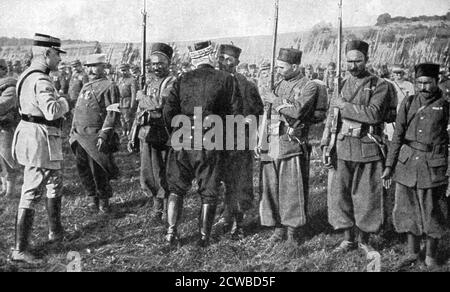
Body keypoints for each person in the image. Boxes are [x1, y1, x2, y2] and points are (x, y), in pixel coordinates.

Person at [163, 41, 242, 247]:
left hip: (181, 139)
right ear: (211, 57)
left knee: (176, 189)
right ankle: (204, 238)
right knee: (209, 190)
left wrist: (174, 133)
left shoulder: (182, 79)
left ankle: (171, 233)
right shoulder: (227, 79)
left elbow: (168, 111)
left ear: (195, 59)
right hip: (210, 140)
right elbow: (236, 115)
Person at [321, 40, 390, 254]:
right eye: (349, 61)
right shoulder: (340, 84)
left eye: (357, 61)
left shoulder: (379, 85)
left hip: (367, 146)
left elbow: (373, 114)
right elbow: (332, 117)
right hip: (341, 145)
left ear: (366, 60)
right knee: (340, 195)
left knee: (366, 196)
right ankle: (347, 238)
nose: (353, 66)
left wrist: (344, 106)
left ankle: (364, 239)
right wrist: (325, 143)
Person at [382, 63, 449, 270]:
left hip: (432, 165)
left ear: (436, 82)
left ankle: (430, 256)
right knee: (406, 210)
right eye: (419, 82)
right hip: (407, 163)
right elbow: (398, 136)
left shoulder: (445, 105)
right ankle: (412, 253)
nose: (423, 87)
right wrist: (389, 166)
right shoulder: (409, 102)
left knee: (432, 212)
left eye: (427, 82)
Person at [11, 33, 69, 264]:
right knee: (32, 190)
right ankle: (19, 250)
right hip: (40, 139)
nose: (59, 60)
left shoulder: (25, 76)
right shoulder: (42, 80)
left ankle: (55, 232)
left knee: (54, 181)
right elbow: (52, 112)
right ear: (47, 53)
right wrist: (64, 101)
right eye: (57, 54)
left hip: (34, 135)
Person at [259, 48, 326, 243]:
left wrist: (275, 99)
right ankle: (278, 228)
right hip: (272, 143)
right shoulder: (278, 83)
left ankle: (293, 231)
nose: (278, 70)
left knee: (291, 190)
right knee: (271, 188)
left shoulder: (309, 86)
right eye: (277, 66)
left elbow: (298, 111)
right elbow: (269, 114)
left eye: (282, 67)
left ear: (295, 66)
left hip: (292, 143)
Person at [216, 44, 264, 239]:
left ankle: (239, 222)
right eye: (222, 58)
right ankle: (225, 214)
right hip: (216, 140)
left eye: (230, 59)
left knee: (240, 182)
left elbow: (258, 110)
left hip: (239, 141)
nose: (226, 62)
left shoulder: (246, 84)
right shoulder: (213, 82)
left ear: (237, 62)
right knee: (219, 181)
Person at [128, 43, 176, 222]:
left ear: (168, 63)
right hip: (146, 133)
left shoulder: (171, 82)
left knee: (163, 170)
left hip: (163, 133)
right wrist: (133, 132)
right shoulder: (148, 83)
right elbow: (140, 112)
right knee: (148, 171)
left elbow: (159, 106)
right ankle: (156, 204)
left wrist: (142, 97)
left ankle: (164, 208)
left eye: (161, 63)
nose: (156, 67)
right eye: (153, 63)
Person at [69, 54, 121, 214]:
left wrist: (104, 135)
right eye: (88, 66)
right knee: (83, 169)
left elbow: (112, 113)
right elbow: (78, 110)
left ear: (103, 66)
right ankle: (92, 197)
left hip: (95, 135)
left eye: (94, 66)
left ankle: (103, 201)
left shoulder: (109, 86)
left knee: (99, 169)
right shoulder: (85, 86)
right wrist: (72, 131)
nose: (91, 70)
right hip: (79, 135)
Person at [0, 59, 19, 197]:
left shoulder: (10, 87)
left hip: (8, 128)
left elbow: (3, 106)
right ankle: (3, 187)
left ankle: (10, 191)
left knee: (8, 159)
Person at [117, 63, 137, 136]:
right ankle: (123, 131)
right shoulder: (119, 80)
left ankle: (129, 131)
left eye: (124, 70)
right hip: (120, 102)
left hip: (127, 102)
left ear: (128, 70)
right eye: (121, 70)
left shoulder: (132, 80)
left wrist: (132, 104)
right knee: (121, 118)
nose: (123, 72)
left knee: (127, 119)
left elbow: (133, 93)